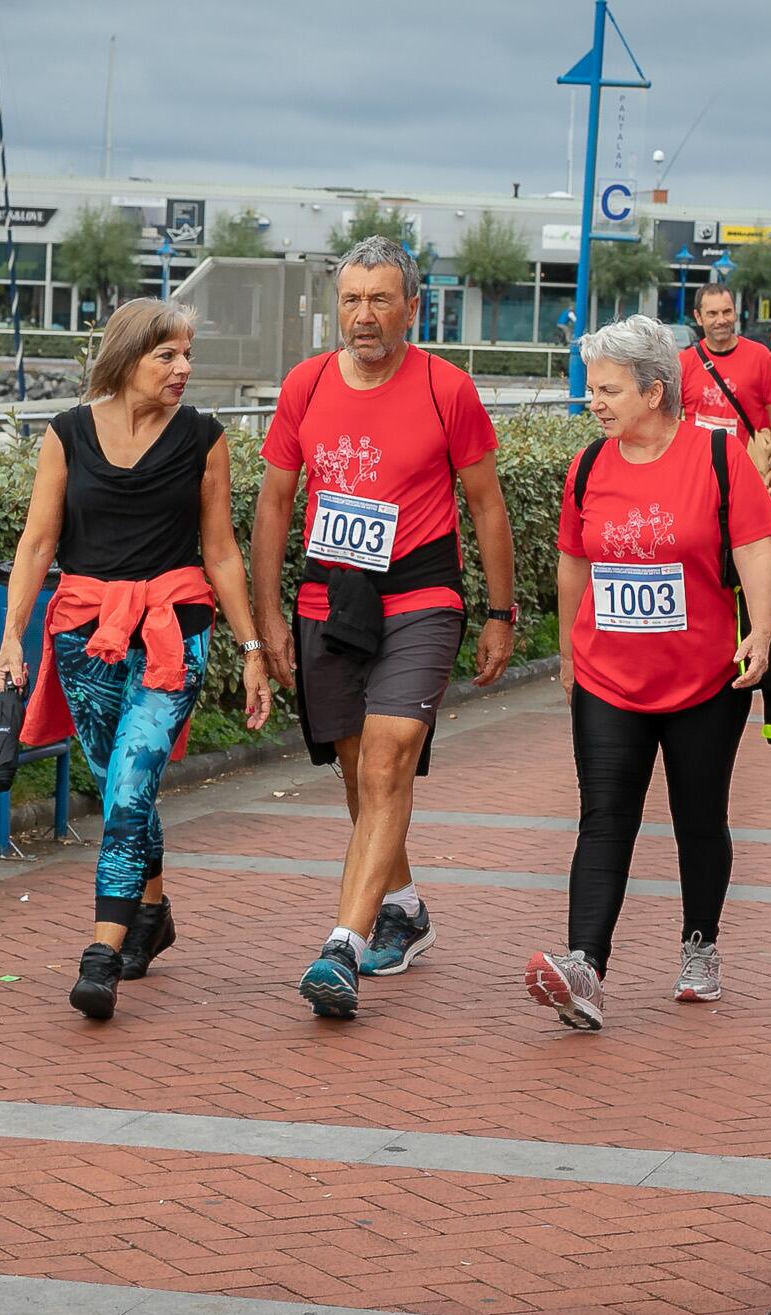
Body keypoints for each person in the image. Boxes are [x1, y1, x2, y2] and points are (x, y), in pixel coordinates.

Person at [251, 236, 517, 1018]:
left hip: (420, 595)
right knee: (356, 770)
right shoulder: (304, 385)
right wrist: (267, 616)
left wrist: (500, 614)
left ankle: (343, 944)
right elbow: (273, 502)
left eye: (379, 301)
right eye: (351, 301)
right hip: (329, 597)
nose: (363, 318)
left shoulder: (447, 389)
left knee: (389, 754)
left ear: (411, 307)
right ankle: (402, 905)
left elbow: (487, 505)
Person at [0, 299, 272, 1022]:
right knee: (120, 784)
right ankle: (152, 913)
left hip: (172, 634)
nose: (184, 369)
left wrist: (250, 651)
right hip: (82, 633)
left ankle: (99, 956)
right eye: (167, 356)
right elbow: (35, 543)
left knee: (126, 793)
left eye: (188, 355)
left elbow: (220, 552)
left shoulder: (205, 439)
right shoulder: (67, 433)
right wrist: (10, 637)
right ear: (126, 359)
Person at [525, 314, 771, 1031]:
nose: (593, 402)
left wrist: (759, 632)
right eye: (591, 389)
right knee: (604, 818)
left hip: (706, 678)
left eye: (607, 389)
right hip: (609, 678)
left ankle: (700, 944)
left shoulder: (719, 457)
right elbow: (574, 558)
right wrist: (573, 648)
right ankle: (585, 967)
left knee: (699, 818)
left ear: (653, 390)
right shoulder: (588, 466)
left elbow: (756, 549)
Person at [679, 282, 771, 502]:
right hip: (699, 471)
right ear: (698, 317)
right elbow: (670, 419)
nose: (721, 320)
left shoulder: (759, 356)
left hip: (747, 469)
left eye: (727, 312)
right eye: (712, 313)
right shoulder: (684, 362)